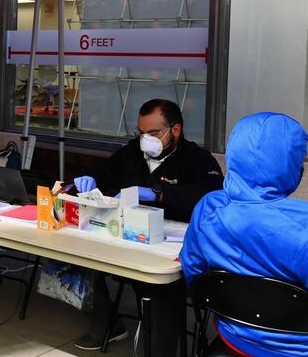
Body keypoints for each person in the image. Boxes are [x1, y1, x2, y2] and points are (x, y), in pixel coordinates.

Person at [70, 98, 223, 353]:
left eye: (153, 133)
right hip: (127, 233)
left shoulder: (197, 159)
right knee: (80, 259)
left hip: (172, 243)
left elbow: (211, 195)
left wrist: (158, 193)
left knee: (160, 287)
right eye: (141, 133)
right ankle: (106, 325)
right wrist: (91, 179)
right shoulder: (131, 153)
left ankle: (156, 348)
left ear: (175, 130)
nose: (145, 140)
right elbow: (104, 171)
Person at [181, 113, 308, 356]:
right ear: (288, 163)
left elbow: (194, 274)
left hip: (234, 340)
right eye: (299, 158)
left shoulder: (209, 209)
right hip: (304, 350)